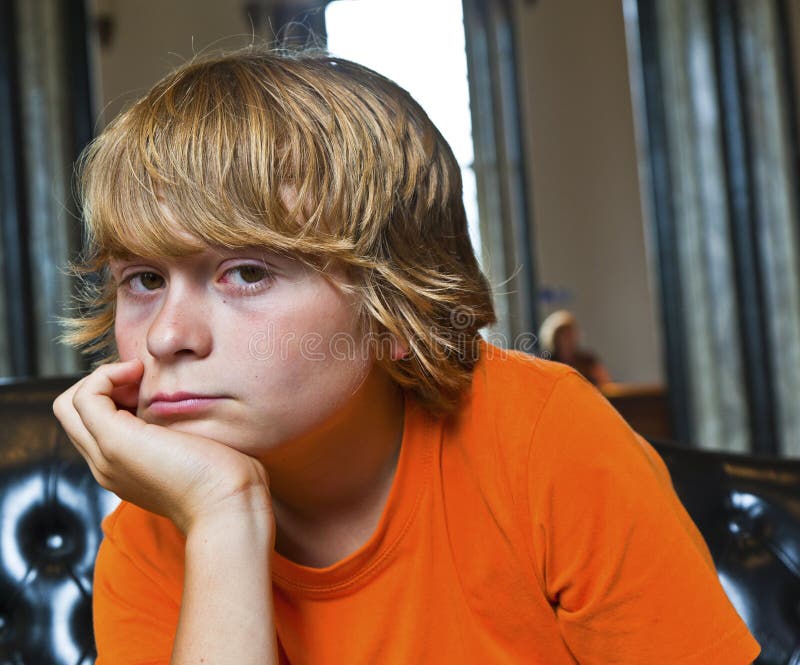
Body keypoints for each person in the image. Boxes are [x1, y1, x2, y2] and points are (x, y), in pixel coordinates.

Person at [53, 48, 759, 665]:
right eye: (142, 279)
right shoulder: (157, 526)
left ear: (397, 308)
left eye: (247, 272)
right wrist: (223, 516)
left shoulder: (545, 440)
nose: (167, 336)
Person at [539, 309, 612, 387]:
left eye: (570, 334)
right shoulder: (546, 362)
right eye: (563, 334)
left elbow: (605, 383)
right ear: (554, 338)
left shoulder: (587, 361)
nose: (568, 339)